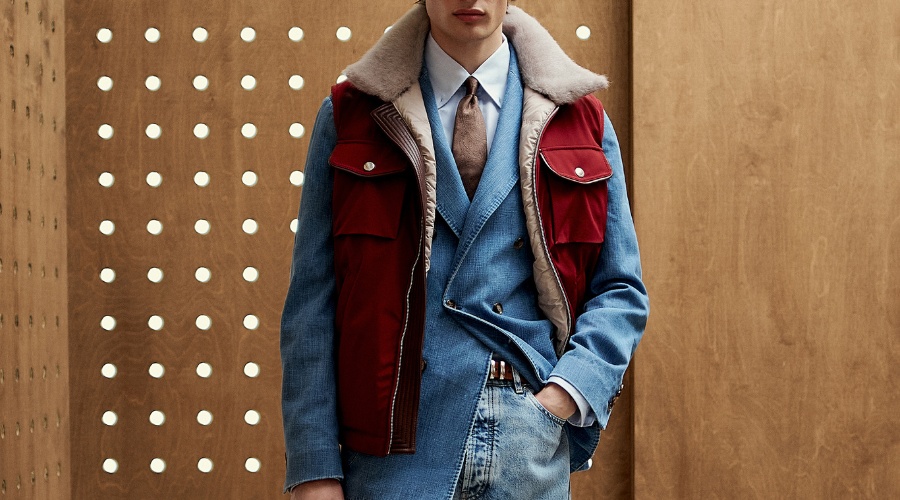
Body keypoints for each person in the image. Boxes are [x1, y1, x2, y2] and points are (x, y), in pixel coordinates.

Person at [280, 1, 649, 498]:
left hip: (528, 442)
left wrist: (565, 395)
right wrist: (315, 467)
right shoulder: (352, 114)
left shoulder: (580, 118)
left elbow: (620, 288)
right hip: (395, 447)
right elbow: (312, 305)